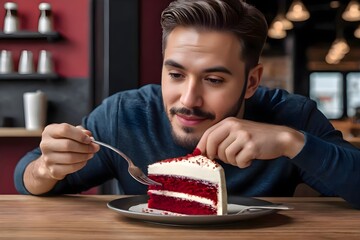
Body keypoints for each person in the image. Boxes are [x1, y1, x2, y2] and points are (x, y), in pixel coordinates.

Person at [14, 0, 360, 209]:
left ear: (251, 81)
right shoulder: (124, 115)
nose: (188, 100)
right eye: (176, 75)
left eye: (214, 80)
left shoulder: (291, 116)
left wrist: (291, 142)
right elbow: (27, 178)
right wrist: (47, 167)